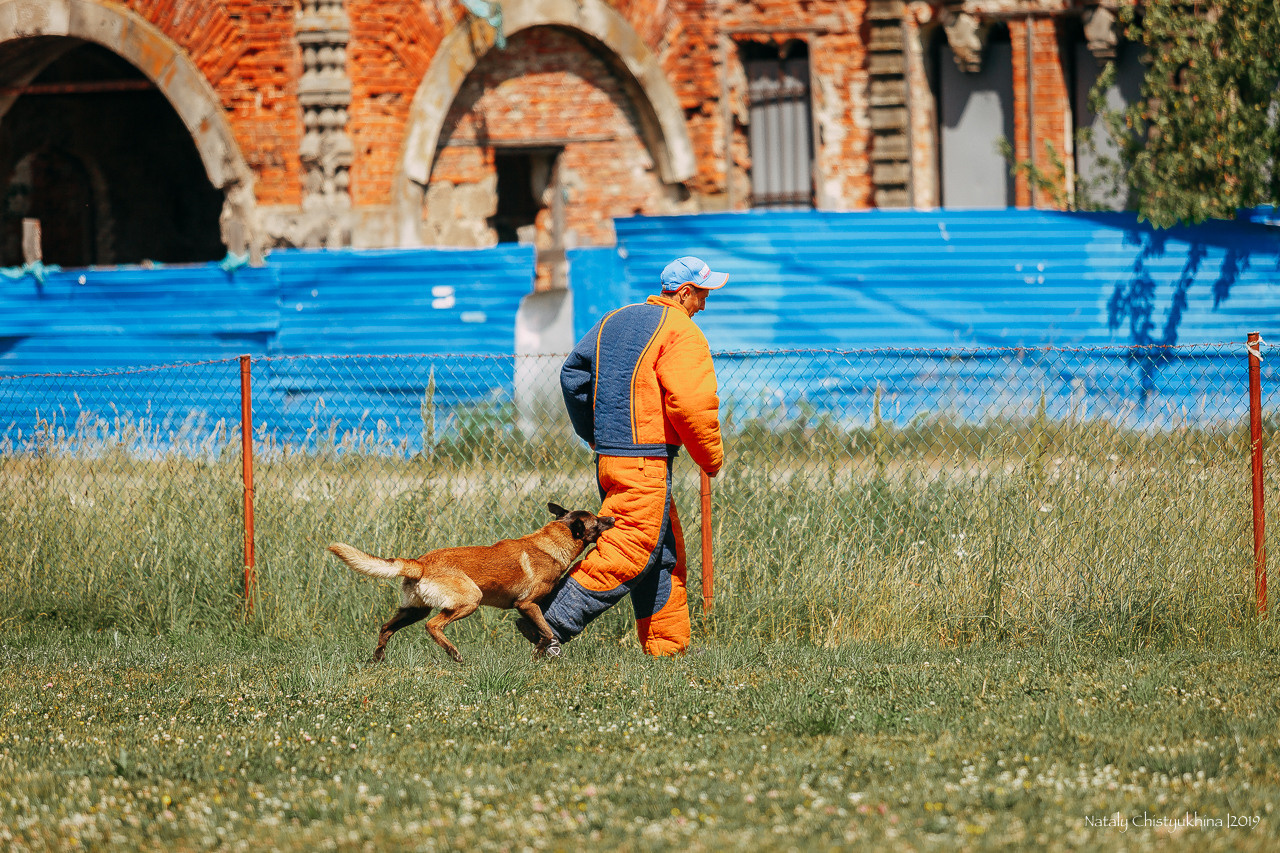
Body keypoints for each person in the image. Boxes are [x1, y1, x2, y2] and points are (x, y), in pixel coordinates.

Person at [517, 255, 727, 656]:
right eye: (702, 294)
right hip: (644, 460)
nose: (704, 304)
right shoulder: (680, 332)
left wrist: (594, 434)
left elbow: (573, 375)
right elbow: (692, 403)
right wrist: (710, 457)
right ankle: (549, 623)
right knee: (630, 548)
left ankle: (669, 651)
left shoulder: (614, 319)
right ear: (683, 293)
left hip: (612, 458)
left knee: (662, 555)